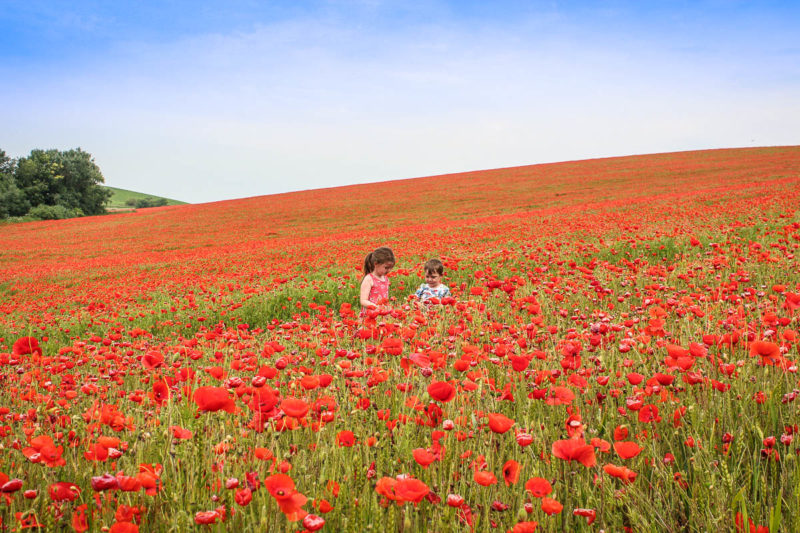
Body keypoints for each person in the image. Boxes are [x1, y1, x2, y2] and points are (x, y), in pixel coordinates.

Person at [360, 247, 395, 317]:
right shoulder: (369, 279)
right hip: (371, 315)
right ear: (376, 264)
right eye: (386, 267)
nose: (389, 270)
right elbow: (363, 300)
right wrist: (376, 307)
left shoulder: (385, 278)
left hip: (382, 313)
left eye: (391, 268)